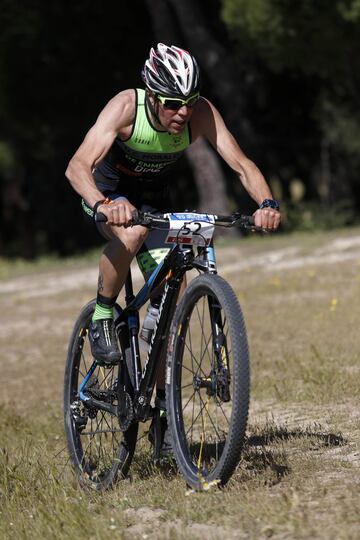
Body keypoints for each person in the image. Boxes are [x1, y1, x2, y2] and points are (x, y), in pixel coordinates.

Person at [65, 43, 281, 454]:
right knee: (129, 236)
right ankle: (103, 314)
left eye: (189, 102)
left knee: (173, 294)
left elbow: (241, 164)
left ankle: (163, 410)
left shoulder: (200, 114)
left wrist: (266, 204)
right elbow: (76, 165)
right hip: (105, 193)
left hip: (152, 203)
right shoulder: (126, 107)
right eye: (171, 103)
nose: (182, 113)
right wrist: (104, 204)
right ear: (152, 94)